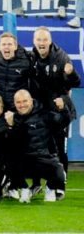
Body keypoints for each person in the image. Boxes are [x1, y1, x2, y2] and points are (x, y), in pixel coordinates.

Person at [31, 26, 80, 180]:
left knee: (59, 149)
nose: (41, 43)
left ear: (50, 41)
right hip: (40, 111)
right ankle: (36, 184)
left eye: (45, 39)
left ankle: (61, 183)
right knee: (37, 148)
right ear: (34, 41)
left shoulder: (61, 57)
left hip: (60, 111)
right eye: (38, 39)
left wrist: (70, 73)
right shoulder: (30, 57)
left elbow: (75, 83)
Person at [6, 90, 71, 203]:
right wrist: (11, 127)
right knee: (9, 162)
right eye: (18, 102)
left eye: (25, 101)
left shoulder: (44, 115)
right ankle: (25, 189)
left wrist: (63, 108)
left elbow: (64, 121)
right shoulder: (12, 118)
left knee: (60, 174)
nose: (22, 105)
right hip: (25, 162)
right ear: (14, 103)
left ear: (31, 100)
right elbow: (10, 145)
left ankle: (50, 188)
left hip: (45, 159)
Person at [0, 32, 35, 111]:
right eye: (3, 44)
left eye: (9, 44)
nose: (6, 47)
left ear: (15, 46)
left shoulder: (27, 60)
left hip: (17, 107)